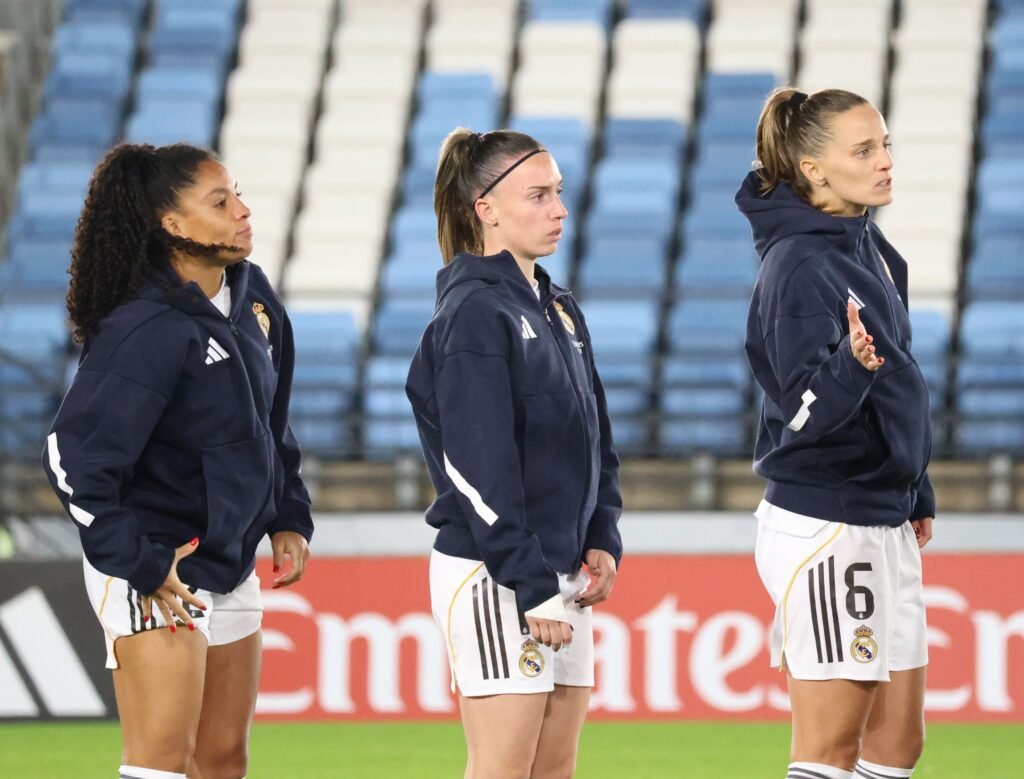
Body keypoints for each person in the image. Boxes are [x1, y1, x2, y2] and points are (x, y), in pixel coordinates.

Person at [41, 143, 313, 779]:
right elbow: (70, 456)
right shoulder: (146, 327)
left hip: (229, 563)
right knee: (162, 763)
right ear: (172, 224)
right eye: (220, 202)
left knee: (222, 762)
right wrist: (138, 559)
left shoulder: (253, 295)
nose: (242, 211)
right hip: (157, 564)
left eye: (237, 194)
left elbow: (271, 421)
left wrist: (287, 514)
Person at [405, 128, 623, 779]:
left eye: (558, 192)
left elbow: (595, 435)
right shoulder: (474, 311)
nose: (560, 209)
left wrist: (601, 532)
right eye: (539, 195)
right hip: (497, 573)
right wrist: (529, 580)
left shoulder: (558, 307)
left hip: (559, 574)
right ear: (487, 208)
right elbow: (477, 467)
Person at [737, 88, 934, 779]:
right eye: (864, 149)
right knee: (829, 749)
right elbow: (798, 416)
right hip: (828, 520)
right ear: (813, 169)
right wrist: (849, 366)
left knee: (897, 745)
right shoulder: (797, 264)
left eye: (885, 145)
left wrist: (915, 485)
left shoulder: (871, 246)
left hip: (882, 511)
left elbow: (898, 377)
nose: (885, 161)